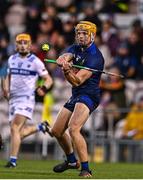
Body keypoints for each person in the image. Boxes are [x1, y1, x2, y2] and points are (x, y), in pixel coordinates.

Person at [44, 21, 104, 177]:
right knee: (56, 131)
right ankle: (71, 161)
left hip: (89, 95)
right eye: (78, 33)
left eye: (84, 34)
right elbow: (67, 54)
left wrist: (66, 72)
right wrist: (62, 60)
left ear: (92, 35)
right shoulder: (76, 47)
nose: (81, 36)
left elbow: (77, 80)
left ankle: (86, 168)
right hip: (76, 94)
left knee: (74, 128)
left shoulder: (95, 57)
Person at [1, 33, 53, 168]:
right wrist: (5, 89)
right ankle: (40, 127)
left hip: (26, 99)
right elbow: (5, 76)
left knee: (14, 128)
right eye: (20, 43)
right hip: (13, 99)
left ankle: (12, 161)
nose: (23, 46)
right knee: (18, 133)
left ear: (30, 45)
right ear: (16, 45)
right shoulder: (11, 59)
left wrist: (43, 88)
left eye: (25, 43)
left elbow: (49, 79)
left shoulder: (35, 61)